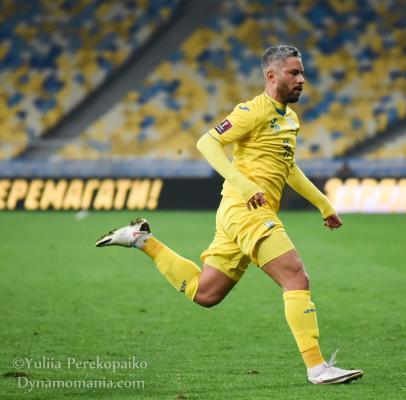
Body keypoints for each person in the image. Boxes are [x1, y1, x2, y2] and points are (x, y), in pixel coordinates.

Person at [96, 45, 363, 385]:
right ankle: (317, 367)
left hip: (237, 214)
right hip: (246, 210)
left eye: (302, 73)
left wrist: (323, 204)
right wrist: (244, 184)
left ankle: (141, 240)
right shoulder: (252, 111)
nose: (302, 80)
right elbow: (206, 143)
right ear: (272, 75)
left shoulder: (290, 119)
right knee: (296, 278)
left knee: (205, 294)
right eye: (294, 73)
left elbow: (289, 167)